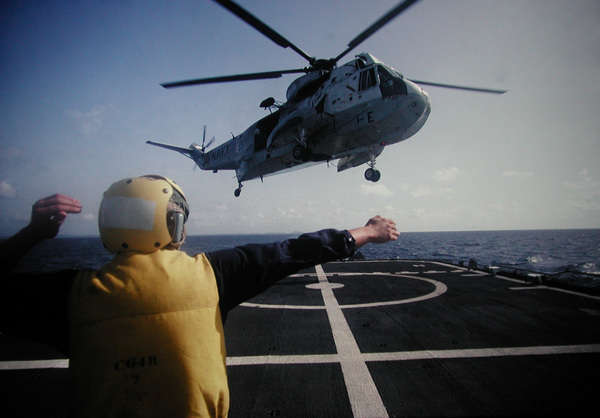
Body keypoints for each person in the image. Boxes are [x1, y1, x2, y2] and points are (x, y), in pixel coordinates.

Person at [1, 175, 398, 418]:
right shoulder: (210, 275)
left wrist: (32, 234)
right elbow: (298, 250)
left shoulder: (74, 295)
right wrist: (367, 231)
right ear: (174, 223)